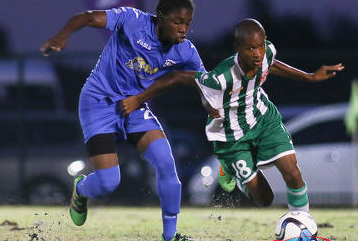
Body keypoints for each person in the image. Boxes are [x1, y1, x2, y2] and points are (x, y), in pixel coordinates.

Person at [121, 18, 344, 220]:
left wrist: (310, 76)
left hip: (264, 120)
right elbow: (176, 76)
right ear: (237, 50)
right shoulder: (221, 78)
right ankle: (229, 169)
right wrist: (138, 98)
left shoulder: (266, 53)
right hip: (232, 136)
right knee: (264, 200)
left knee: (292, 171)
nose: (257, 53)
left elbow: (271, 64)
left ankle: (303, 224)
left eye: (260, 46)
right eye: (250, 49)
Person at [40, 0, 207, 241]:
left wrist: (216, 107)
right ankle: (81, 190)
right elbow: (86, 17)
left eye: (187, 23)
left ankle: (170, 236)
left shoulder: (185, 51)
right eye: (177, 22)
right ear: (160, 17)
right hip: (99, 103)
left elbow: (205, 83)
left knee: (166, 164)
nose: (183, 29)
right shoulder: (132, 20)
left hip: (135, 108)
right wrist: (63, 35)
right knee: (108, 182)